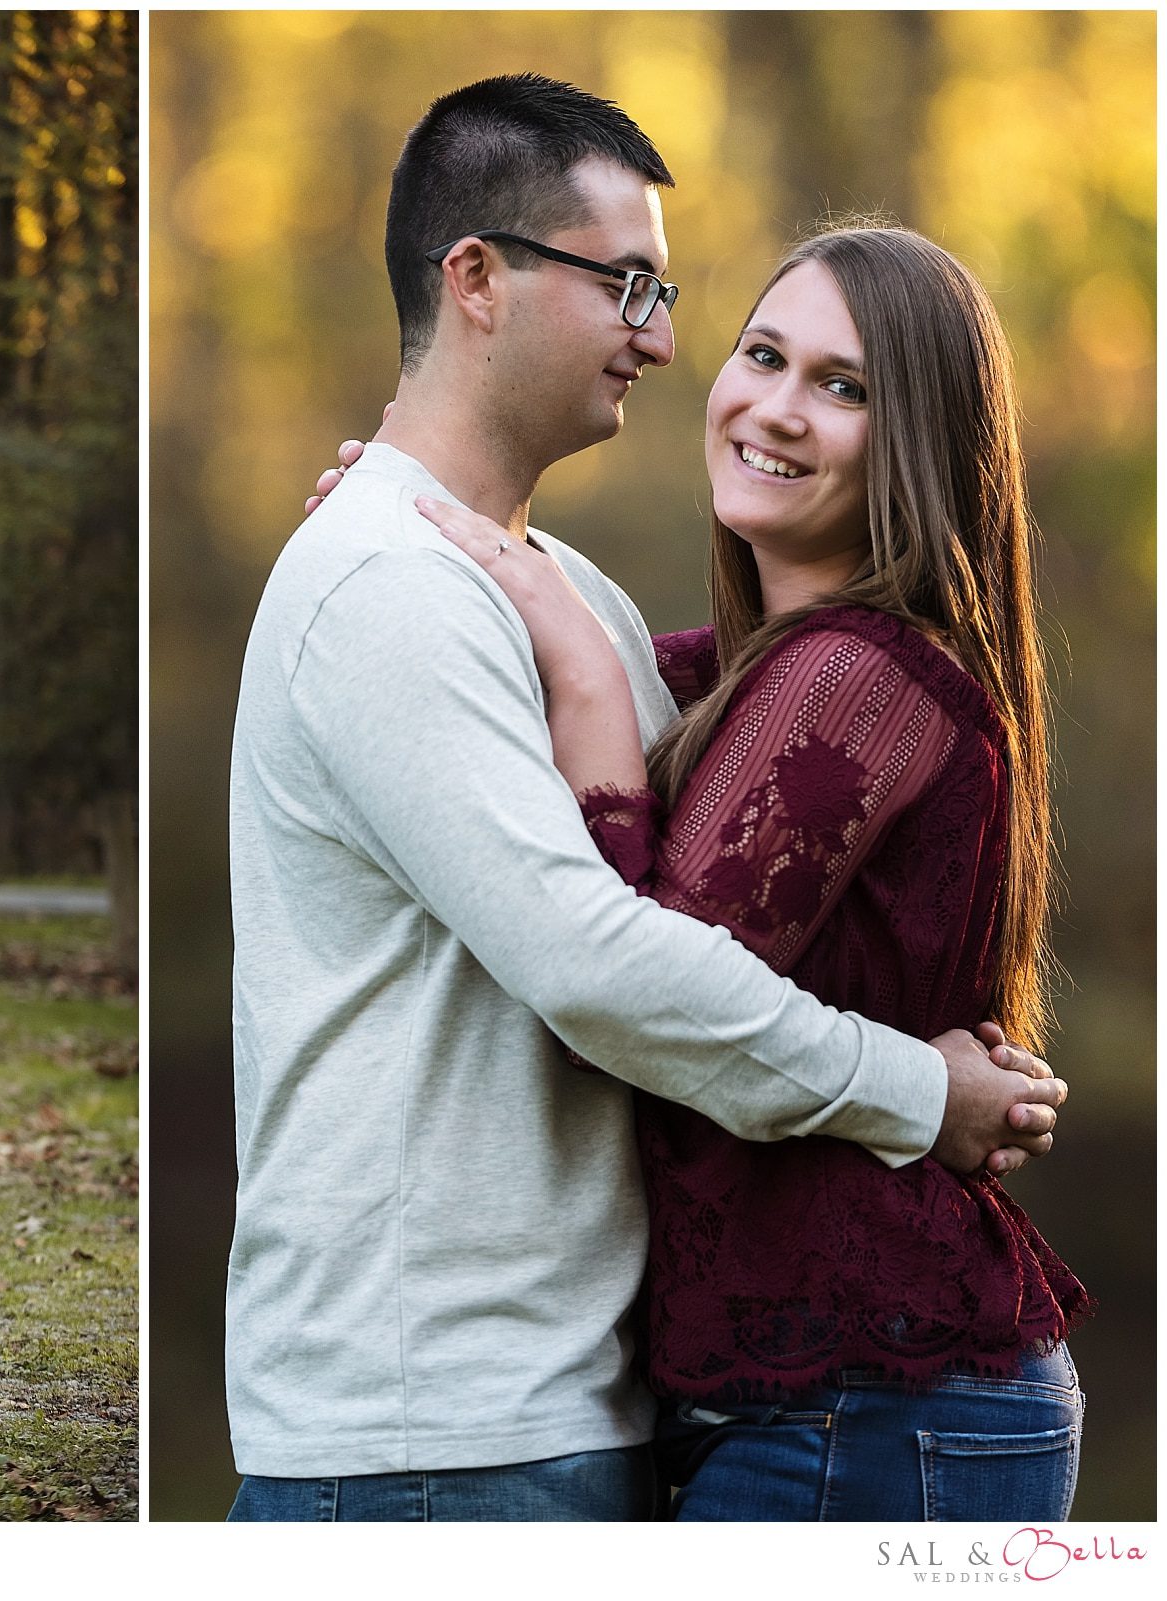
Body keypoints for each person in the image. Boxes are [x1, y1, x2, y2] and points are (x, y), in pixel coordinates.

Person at [224, 73, 1065, 1522]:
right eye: (630, 287)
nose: (666, 343)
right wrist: (924, 1090)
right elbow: (606, 966)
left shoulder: (574, 609)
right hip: (434, 1430)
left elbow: (669, 874)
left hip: (614, 1401)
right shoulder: (405, 588)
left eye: (843, 384)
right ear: (477, 278)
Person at [410, 224, 1089, 1519]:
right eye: (764, 355)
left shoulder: (856, 679)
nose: (777, 406)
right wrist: (417, 524)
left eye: (842, 385)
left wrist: (577, 669)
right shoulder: (767, 667)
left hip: (877, 1406)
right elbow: (583, 657)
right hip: (816, 1404)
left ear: (919, 441)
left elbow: (648, 982)